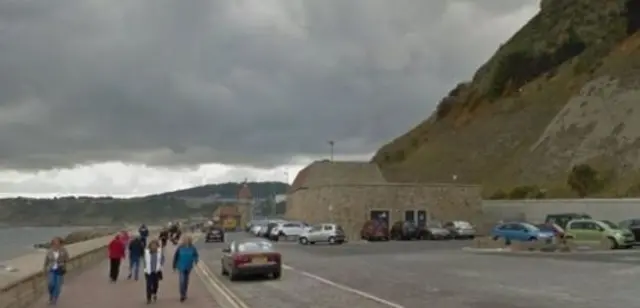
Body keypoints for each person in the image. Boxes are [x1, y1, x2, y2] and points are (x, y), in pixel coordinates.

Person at [43, 237, 69, 305]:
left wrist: (63, 263)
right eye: (54, 243)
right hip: (51, 270)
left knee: (57, 286)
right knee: (51, 284)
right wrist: (44, 269)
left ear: (60, 243)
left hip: (60, 270)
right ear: (52, 243)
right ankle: (51, 296)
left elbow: (67, 259)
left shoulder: (63, 250)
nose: (56, 244)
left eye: (57, 242)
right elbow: (46, 261)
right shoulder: (49, 251)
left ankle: (54, 299)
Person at [172, 236, 199, 302]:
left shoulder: (192, 248)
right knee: (182, 280)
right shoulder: (180, 248)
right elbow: (175, 256)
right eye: (185, 240)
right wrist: (174, 266)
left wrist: (195, 260)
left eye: (188, 240)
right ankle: (182, 295)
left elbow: (196, 255)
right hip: (181, 266)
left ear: (190, 241)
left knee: (186, 281)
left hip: (188, 266)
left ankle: (185, 292)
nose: (186, 241)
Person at [143, 239, 164, 304]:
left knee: (155, 285)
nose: (153, 247)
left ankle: (154, 293)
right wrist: (145, 269)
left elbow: (163, 259)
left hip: (156, 271)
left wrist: (160, 264)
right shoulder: (146, 252)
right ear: (150, 246)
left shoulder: (159, 252)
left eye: (155, 245)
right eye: (152, 245)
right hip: (149, 272)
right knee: (148, 285)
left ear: (157, 246)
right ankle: (148, 298)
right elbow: (144, 261)